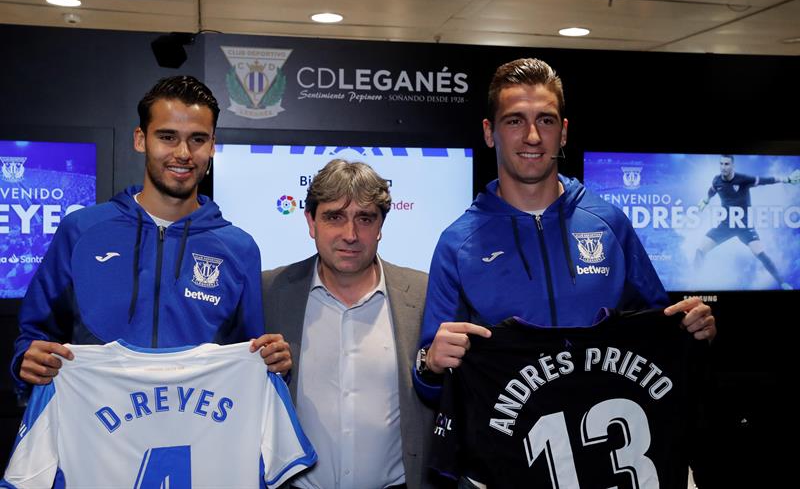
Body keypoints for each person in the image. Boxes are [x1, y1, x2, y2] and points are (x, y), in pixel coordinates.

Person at [413, 57, 716, 403]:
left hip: (604, 443)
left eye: (546, 120)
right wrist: (430, 366)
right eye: (514, 121)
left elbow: (660, 335)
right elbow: (429, 382)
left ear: (564, 132)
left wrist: (694, 330)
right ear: (489, 132)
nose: (532, 136)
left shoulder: (609, 223)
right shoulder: (457, 244)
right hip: (503, 452)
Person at [12, 75, 290, 390]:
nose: (183, 153)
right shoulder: (82, 231)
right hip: (96, 430)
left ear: (212, 145)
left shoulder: (238, 249)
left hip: (199, 433)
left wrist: (272, 362)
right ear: (141, 139)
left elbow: (250, 358)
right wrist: (27, 357)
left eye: (197, 139)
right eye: (168, 137)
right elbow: (35, 335)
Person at [262, 159, 441, 489]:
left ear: (380, 225)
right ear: (310, 222)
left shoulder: (424, 294)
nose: (350, 234)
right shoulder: (267, 292)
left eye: (365, 218)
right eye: (334, 217)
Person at [695, 154, 799, 290]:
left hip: (745, 226)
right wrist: (706, 200)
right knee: (700, 250)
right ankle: (695, 284)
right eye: (721, 164)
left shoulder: (743, 179)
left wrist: (787, 179)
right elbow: (712, 190)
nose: (723, 167)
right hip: (726, 225)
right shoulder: (717, 180)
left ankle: (782, 283)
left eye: (726, 164)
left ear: (732, 166)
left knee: (759, 252)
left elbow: (765, 180)